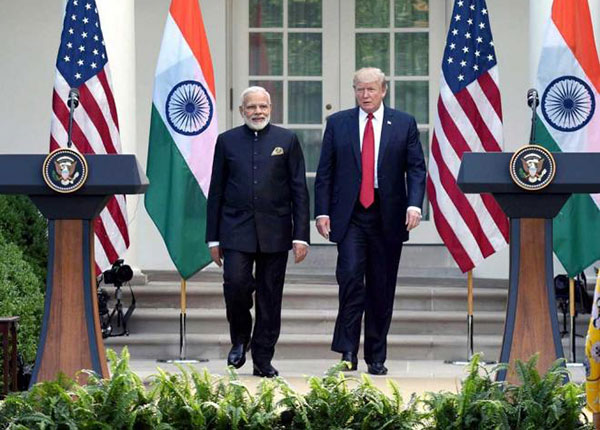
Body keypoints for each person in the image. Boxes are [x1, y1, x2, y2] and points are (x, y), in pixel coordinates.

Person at [314, 67, 426, 375]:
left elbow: (416, 169)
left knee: (381, 286)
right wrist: (322, 212)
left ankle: (376, 356)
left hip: (387, 215)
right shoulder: (338, 123)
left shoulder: (403, 123)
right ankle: (347, 351)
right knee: (350, 279)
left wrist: (414, 205)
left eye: (371, 89)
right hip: (351, 215)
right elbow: (325, 171)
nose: (365, 95)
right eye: (360, 89)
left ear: (383, 91)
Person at [206, 86, 310, 377]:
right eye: (251, 107)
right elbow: (216, 191)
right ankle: (240, 339)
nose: (258, 112)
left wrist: (301, 235)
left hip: (276, 230)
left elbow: (299, 190)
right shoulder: (227, 141)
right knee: (235, 284)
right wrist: (213, 238)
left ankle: (263, 358)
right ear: (242, 111)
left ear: (270, 108)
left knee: (270, 297)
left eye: (263, 106)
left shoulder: (287, 140)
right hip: (235, 229)